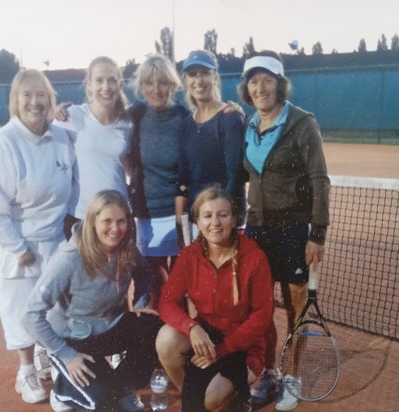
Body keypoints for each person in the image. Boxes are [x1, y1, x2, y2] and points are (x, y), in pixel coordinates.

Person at [0, 69, 75, 404]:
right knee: (19, 310)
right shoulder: (2, 144)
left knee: (55, 310)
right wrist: (18, 248)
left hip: (52, 237)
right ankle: (26, 372)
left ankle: (48, 359)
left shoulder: (62, 138)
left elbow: (73, 188)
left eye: (40, 94)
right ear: (15, 101)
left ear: (50, 99)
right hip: (11, 243)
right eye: (26, 95)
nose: (34, 101)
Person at [237, 51, 331, 411]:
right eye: (254, 81)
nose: (260, 87)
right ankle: (270, 373)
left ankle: (292, 375)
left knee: (295, 309)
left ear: (280, 84)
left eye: (267, 80)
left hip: (294, 230)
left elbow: (320, 179)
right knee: (260, 310)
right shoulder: (248, 125)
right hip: (257, 231)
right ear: (247, 88)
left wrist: (317, 233)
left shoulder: (302, 123)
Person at [23, 190, 162, 412]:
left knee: (154, 327)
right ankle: (63, 390)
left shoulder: (126, 249)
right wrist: (66, 355)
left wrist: (139, 306)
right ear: (92, 221)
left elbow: (145, 275)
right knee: (105, 404)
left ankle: (121, 385)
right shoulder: (69, 259)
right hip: (72, 339)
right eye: (107, 221)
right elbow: (30, 316)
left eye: (121, 221)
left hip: (107, 328)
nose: (115, 229)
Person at [156, 185, 274, 412]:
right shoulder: (190, 255)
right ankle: (192, 395)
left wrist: (222, 350)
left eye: (223, 215)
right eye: (207, 216)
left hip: (243, 347)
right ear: (198, 222)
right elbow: (167, 302)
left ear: (234, 220)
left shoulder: (255, 258)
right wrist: (191, 327)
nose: (215, 223)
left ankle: (232, 397)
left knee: (208, 400)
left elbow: (262, 317)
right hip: (206, 336)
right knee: (166, 339)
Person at [127, 53, 190, 308]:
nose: (156, 89)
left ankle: (178, 340)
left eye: (163, 82)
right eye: (149, 83)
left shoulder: (184, 118)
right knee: (154, 282)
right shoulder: (136, 114)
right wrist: (66, 112)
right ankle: (154, 341)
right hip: (147, 214)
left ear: (173, 85)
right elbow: (102, 118)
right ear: (141, 87)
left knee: (179, 283)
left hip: (180, 214)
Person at [53, 56, 133, 239]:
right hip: (81, 218)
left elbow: (129, 166)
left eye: (112, 80)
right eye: (99, 80)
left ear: (119, 84)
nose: (106, 87)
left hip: (118, 218)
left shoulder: (128, 123)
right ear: (89, 85)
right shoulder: (70, 117)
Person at [176, 50, 246, 237]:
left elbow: (235, 176)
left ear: (215, 77)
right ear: (186, 81)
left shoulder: (230, 118)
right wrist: (182, 226)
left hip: (223, 222)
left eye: (204, 73)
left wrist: (221, 219)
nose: (198, 80)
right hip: (197, 220)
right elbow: (183, 178)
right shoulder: (186, 124)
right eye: (192, 74)